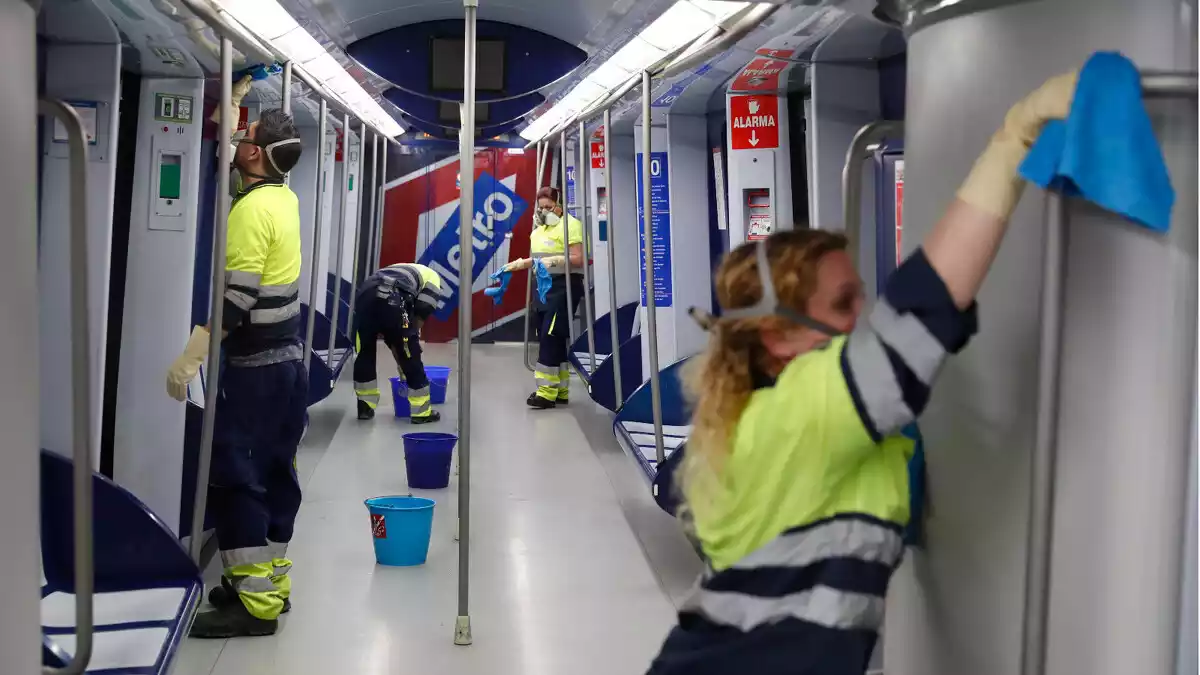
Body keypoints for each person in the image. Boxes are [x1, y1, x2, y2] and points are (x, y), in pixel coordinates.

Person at [646, 70, 1078, 674]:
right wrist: (1013, 140)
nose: (865, 320)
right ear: (780, 334)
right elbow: (921, 313)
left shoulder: (762, 418)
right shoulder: (799, 410)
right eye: (845, 305)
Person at [165, 106, 306, 639]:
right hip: (288, 363)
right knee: (275, 472)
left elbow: (239, 296)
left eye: (243, 138)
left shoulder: (249, 212)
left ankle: (253, 607)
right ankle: (270, 583)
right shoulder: (283, 198)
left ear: (252, 154)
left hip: (255, 370)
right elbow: (244, 178)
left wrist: (194, 351)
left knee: (238, 476)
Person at [501, 186, 586, 408]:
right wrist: (520, 264)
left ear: (559, 206)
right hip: (543, 288)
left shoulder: (570, 225)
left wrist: (557, 260)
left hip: (564, 287)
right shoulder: (538, 232)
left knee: (550, 335)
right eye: (541, 207)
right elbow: (538, 260)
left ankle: (546, 392)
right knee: (551, 335)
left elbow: (579, 259)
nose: (544, 211)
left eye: (548, 207)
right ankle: (561, 389)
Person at [352, 262, 444, 423]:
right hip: (393, 297)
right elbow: (421, 312)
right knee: (409, 352)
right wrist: (408, 344)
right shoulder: (434, 280)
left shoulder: (401, 268)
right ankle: (421, 413)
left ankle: (365, 407)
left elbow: (391, 334)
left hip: (365, 294)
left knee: (364, 351)